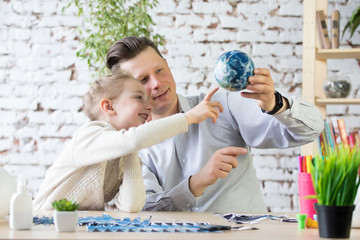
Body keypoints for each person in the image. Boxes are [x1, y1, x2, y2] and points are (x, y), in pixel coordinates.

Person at [105, 36, 324, 213]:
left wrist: (275, 104)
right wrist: (195, 183)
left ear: (168, 66)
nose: (157, 83)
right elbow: (144, 209)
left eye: (160, 70)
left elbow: (311, 131)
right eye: (143, 80)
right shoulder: (132, 143)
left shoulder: (225, 102)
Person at [33, 72, 222, 212]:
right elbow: (134, 140)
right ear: (108, 106)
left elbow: (132, 205)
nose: (149, 106)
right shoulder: (89, 135)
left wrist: (132, 152)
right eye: (139, 97)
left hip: (74, 230)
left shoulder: (124, 148)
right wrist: (189, 117)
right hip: (43, 226)